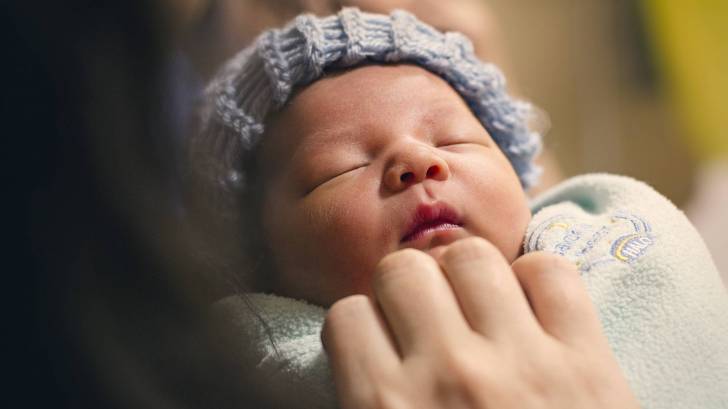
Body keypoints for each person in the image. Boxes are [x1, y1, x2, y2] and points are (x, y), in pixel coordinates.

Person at [189, 8, 728, 409]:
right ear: (260, 265)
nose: (418, 160)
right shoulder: (261, 365)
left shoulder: (596, 241)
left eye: (453, 141)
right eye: (339, 168)